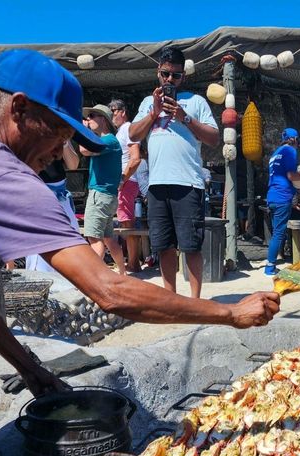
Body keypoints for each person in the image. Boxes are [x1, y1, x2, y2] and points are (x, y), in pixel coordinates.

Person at [0, 49, 280, 456]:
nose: (63, 150)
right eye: (62, 132)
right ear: (21, 110)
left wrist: (27, 367)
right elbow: (110, 291)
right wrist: (230, 314)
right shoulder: (4, 179)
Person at [129, 46, 219, 298]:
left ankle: (195, 300)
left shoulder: (196, 102)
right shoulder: (149, 103)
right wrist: (154, 113)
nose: (170, 80)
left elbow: (213, 138)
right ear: (158, 72)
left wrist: (184, 117)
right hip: (157, 185)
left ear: (183, 76)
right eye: (166, 74)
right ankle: (171, 297)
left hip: (188, 183)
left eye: (176, 76)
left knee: (191, 245)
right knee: (164, 245)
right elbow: (133, 135)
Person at [78, 104, 125, 275]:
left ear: (103, 120)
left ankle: (93, 279)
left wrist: (82, 130)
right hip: (107, 197)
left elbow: (84, 149)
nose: (88, 120)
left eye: (92, 116)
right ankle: (123, 274)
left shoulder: (107, 141)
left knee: (94, 239)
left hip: (99, 196)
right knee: (108, 239)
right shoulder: (109, 141)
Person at [264, 128, 300, 276]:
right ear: (294, 140)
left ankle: (271, 262)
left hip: (272, 196)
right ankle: (270, 267)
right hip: (282, 196)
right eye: (298, 142)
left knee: (276, 233)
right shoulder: (290, 151)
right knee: (278, 234)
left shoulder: (275, 154)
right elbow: (292, 176)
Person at [25, 139, 81, 272]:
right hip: (39, 199)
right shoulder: (25, 138)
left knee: (72, 244)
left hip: (61, 198)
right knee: (40, 251)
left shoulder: (58, 136)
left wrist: (65, 142)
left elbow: (73, 165)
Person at [109, 99, 142, 273]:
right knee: (127, 222)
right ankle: (132, 261)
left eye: (114, 111)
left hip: (127, 181)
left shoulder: (128, 129)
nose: (112, 115)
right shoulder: (123, 130)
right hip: (127, 180)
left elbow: (135, 157)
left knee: (127, 223)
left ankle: (134, 263)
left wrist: (122, 180)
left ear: (123, 112)